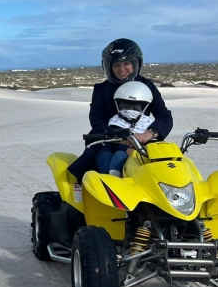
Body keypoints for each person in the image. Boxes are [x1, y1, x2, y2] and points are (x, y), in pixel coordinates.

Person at [68, 38, 173, 182]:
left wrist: (150, 133)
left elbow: (164, 116)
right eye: (116, 65)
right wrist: (120, 138)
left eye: (127, 63)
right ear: (108, 67)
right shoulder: (101, 89)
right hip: (109, 141)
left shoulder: (146, 85)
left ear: (136, 63)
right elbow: (96, 120)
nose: (122, 69)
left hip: (141, 142)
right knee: (104, 168)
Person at [96, 81, 155, 177]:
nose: (130, 110)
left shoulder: (148, 123)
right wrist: (126, 149)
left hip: (141, 154)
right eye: (126, 107)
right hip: (117, 150)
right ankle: (111, 180)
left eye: (135, 108)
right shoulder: (115, 121)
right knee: (109, 155)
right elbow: (113, 142)